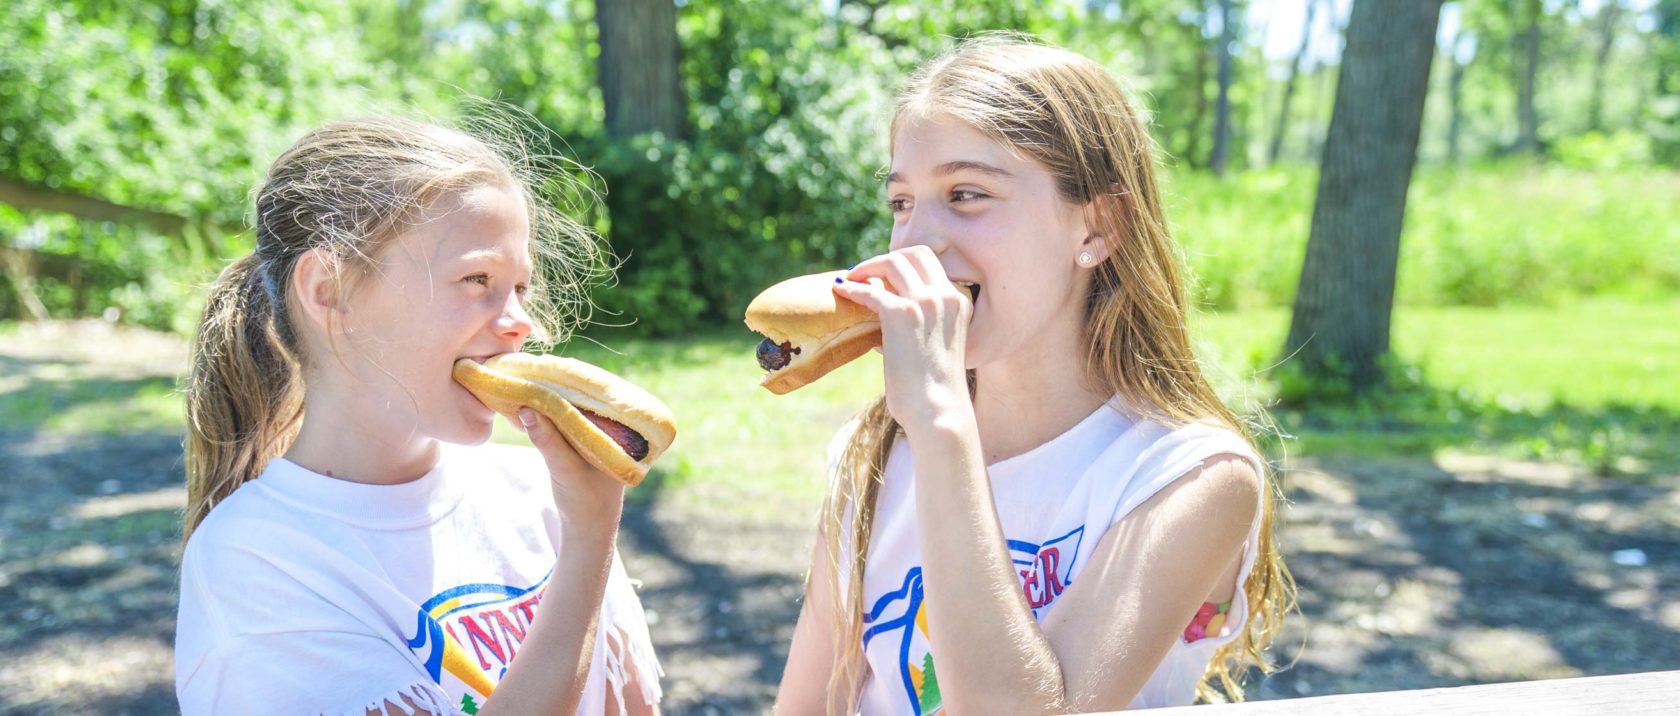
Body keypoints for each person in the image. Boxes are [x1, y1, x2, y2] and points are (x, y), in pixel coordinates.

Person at [775, 36, 1294, 714]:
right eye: (901, 202)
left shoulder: (1190, 475)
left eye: (966, 194)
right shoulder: (872, 455)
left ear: (1097, 229)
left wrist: (940, 429)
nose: (914, 242)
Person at [174, 115, 661, 715]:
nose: (519, 322)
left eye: (521, 288)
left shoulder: (538, 492)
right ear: (330, 288)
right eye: (476, 278)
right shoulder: (257, 560)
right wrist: (588, 541)